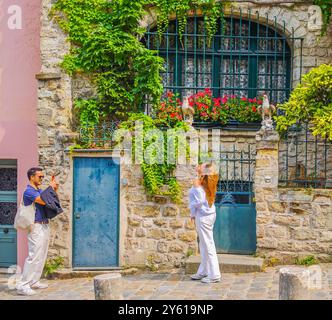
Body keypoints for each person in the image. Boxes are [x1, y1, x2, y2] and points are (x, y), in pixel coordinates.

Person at [16, 167, 58, 296]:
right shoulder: (29, 192)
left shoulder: (39, 190)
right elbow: (43, 200)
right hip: (36, 227)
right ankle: (23, 285)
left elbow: (51, 201)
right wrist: (50, 188)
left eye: (42, 177)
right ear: (32, 177)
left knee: (41, 255)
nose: (41, 179)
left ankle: (34, 281)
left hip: (44, 225)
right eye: (39, 177)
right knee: (33, 256)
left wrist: (54, 190)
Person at [188, 163, 221, 283]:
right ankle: (203, 271)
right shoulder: (208, 181)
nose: (197, 165)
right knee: (203, 245)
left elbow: (199, 201)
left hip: (203, 217)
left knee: (208, 244)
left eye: (200, 165)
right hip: (209, 215)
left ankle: (215, 275)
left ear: (203, 170)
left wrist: (191, 208)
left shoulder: (198, 183)